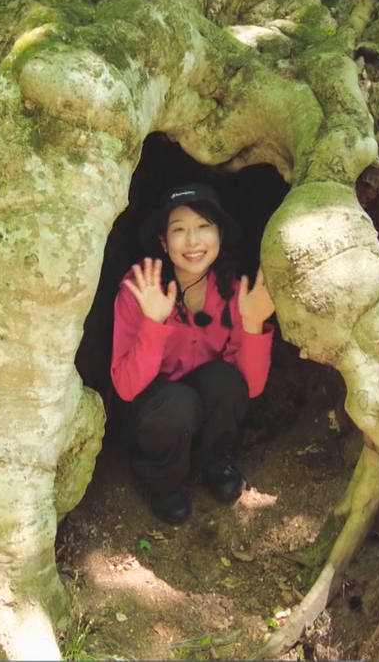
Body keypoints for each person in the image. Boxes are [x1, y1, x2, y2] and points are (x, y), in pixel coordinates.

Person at [111, 183, 275, 525]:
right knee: (177, 402)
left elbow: (250, 388)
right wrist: (154, 323)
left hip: (201, 410)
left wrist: (254, 323)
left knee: (225, 381)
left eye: (203, 227)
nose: (192, 241)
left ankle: (211, 463)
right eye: (179, 230)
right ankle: (162, 482)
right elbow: (126, 387)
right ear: (162, 242)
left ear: (220, 235)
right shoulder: (140, 288)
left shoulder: (235, 291)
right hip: (154, 415)